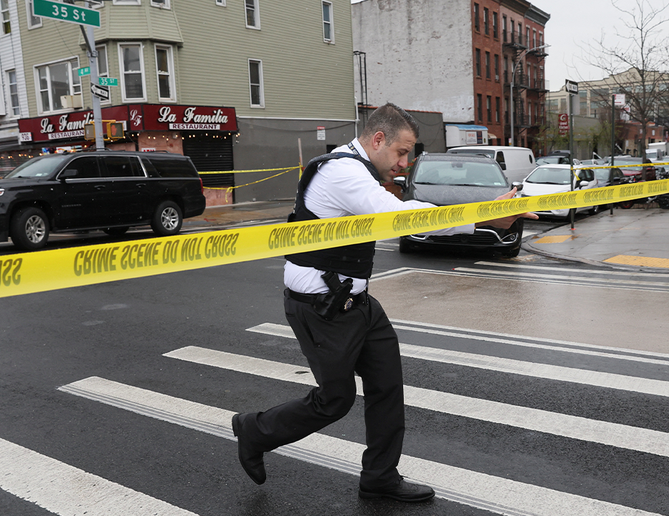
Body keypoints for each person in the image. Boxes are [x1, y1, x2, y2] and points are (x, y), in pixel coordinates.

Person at [230, 103, 537, 502]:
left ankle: (379, 476)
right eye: (401, 153)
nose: (405, 163)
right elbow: (401, 217)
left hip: (355, 302)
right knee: (334, 401)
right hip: (322, 306)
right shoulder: (341, 171)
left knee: (387, 387)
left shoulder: (357, 170)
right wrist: (484, 215)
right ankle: (255, 431)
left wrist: (487, 213)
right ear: (378, 140)